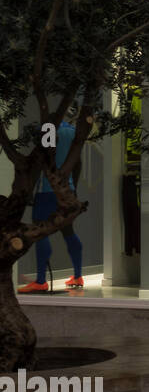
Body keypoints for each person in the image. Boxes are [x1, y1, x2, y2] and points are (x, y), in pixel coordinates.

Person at [18, 118, 85, 293]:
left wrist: (30, 190)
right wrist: (73, 189)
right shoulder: (72, 131)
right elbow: (78, 163)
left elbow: (41, 161)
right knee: (68, 231)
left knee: (41, 232)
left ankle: (41, 280)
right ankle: (78, 275)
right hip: (66, 189)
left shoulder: (46, 128)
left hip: (46, 189)